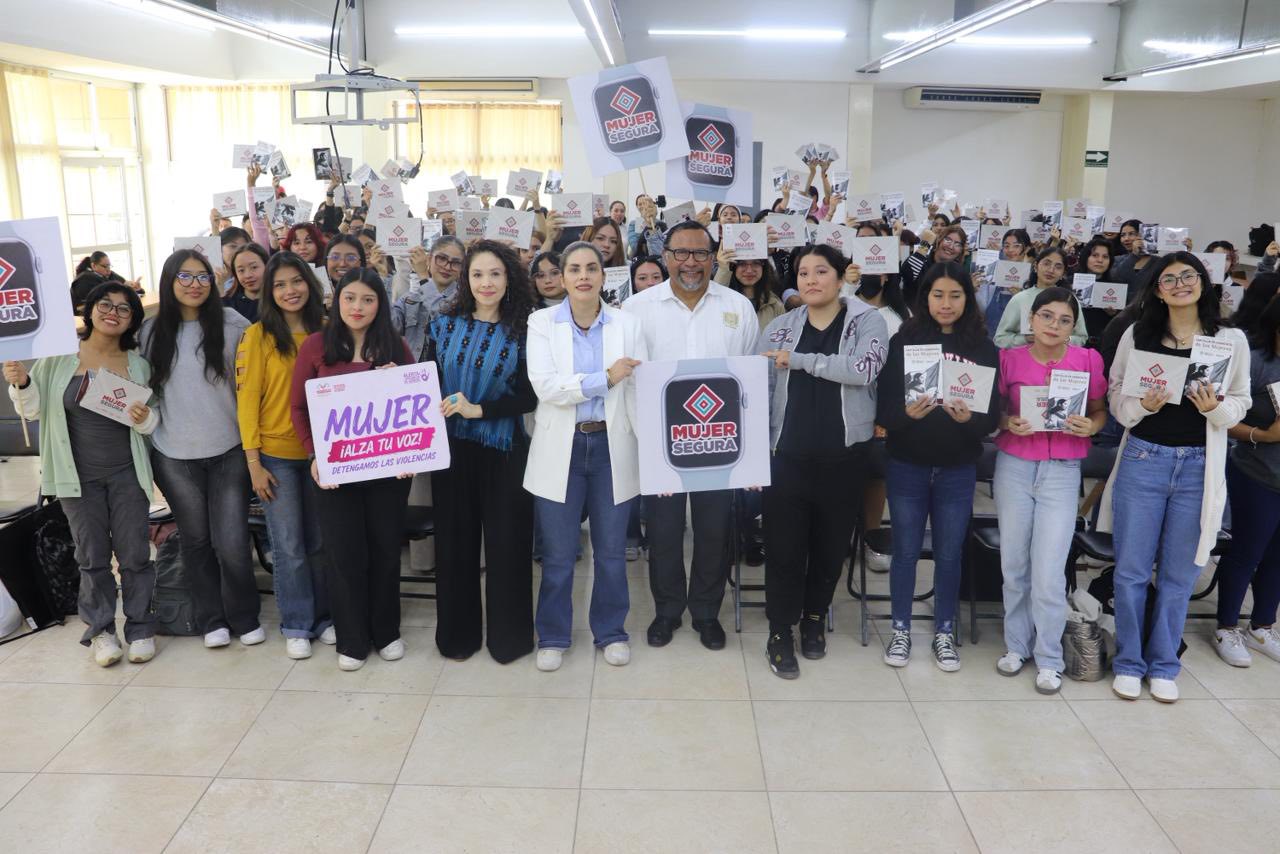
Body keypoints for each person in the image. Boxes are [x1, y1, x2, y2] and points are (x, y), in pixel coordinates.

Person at [1099, 252, 1250, 702]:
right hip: (1144, 459)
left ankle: (1164, 663)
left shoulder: (1229, 339)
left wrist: (1215, 410)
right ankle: (1129, 660)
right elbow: (1115, 394)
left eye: (1189, 276)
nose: (1180, 283)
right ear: (1157, 290)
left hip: (1199, 466)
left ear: (1204, 283)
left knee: (1179, 574)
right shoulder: (1137, 334)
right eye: (1169, 278)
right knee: (1130, 570)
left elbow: (1240, 401)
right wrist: (1142, 406)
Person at [4, 282, 158, 667]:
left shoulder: (137, 365)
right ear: (89, 310)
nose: (113, 313)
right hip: (77, 479)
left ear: (132, 321)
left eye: (124, 309)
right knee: (91, 558)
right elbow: (33, 408)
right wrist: (20, 382)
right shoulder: (60, 358)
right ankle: (102, 631)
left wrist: (144, 418)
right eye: (106, 304)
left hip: (127, 475)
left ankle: (140, 627)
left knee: (136, 555)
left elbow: (152, 421)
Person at [622, 221, 760, 651]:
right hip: (661, 446)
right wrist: (646, 442)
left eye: (700, 254)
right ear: (665, 257)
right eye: (681, 253)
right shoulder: (636, 309)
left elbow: (750, 383)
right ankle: (667, 612)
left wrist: (751, 452)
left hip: (720, 445)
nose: (690, 263)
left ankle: (705, 612)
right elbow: (629, 381)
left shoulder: (738, 307)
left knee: (714, 531)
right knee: (662, 533)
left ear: (713, 256)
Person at [757, 244, 888, 678]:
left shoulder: (868, 320)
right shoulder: (780, 327)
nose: (811, 280)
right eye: (803, 273)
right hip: (786, 456)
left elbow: (864, 369)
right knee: (784, 549)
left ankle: (814, 619)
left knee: (831, 547)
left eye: (821, 271)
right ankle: (780, 631)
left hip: (844, 456)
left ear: (840, 277)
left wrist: (799, 361)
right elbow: (757, 385)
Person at [525, 241, 648, 671]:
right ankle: (554, 635)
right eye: (574, 268)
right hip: (563, 446)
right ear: (560, 277)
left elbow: (639, 387)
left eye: (592, 268)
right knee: (558, 555)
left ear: (603, 274)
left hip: (614, 446)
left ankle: (611, 631)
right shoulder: (541, 322)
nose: (583, 276)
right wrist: (605, 377)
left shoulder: (627, 323)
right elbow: (547, 387)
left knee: (612, 551)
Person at [875, 262, 1000, 671]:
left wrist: (970, 421)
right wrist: (907, 415)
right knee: (906, 552)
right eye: (937, 295)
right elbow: (885, 412)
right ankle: (901, 628)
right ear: (924, 298)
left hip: (957, 468)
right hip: (907, 464)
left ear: (968, 298)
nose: (946, 304)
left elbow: (991, 418)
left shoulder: (983, 348)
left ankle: (945, 632)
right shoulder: (904, 342)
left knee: (949, 554)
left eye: (955, 295)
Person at [290, 269, 415, 670]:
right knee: (344, 556)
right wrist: (314, 456)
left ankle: (387, 631)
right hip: (336, 473)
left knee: (384, 552)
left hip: (386, 472)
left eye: (367, 299)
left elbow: (415, 404)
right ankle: (352, 638)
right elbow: (298, 408)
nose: (357, 307)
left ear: (379, 304)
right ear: (336, 300)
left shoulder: (395, 346)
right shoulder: (314, 347)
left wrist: (407, 456)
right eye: (349, 298)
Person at [425, 240, 538, 663]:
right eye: (477, 274)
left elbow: (530, 395)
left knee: (509, 546)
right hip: (451, 453)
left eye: (495, 274)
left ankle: (510, 640)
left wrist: (480, 409)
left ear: (509, 278)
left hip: (505, 451)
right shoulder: (442, 325)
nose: (486, 283)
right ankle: (457, 637)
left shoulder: (526, 329)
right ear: (465, 279)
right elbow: (425, 381)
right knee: (454, 547)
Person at [140, 249, 258, 649]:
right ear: (169, 281)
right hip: (174, 455)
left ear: (215, 282)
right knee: (196, 540)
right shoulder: (150, 331)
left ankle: (245, 615)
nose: (194, 285)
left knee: (232, 542)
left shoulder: (233, 323)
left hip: (230, 450)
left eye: (203, 277)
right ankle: (212, 621)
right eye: (185, 277)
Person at [993, 287, 1106, 694]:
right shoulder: (1009, 360)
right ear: (1031, 319)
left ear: (1073, 326)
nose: (1053, 326)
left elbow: (1098, 410)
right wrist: (1008, 422)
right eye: (1046, 316)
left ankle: (1049, 658)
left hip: (1062, 471)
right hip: (1016, 468)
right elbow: (997, 412)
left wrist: (1091, 426)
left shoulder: (1087, 360)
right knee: (1015, 565)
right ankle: (1016, 646)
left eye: (1063, 320)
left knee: (1049, 570)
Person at [235, 251, 333, 660]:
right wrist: (253, 463)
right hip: (275, 457)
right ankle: (296, 622)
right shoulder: (256, 336)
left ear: (309, 285)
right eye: (279, 284)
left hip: (323, 455)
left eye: (296, 281)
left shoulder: (329, 330)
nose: (289, 291)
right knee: (288, 545)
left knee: (321, 543)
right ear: (268, 292)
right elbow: (247, 400)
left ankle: (326, 617)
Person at [1213, 295, 1280, 666]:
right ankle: (1226, 626)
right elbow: (1224, 415)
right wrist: (1263, 436)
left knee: (1277, 556)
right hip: (1256, 471)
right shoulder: (1256, 362)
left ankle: (1263, 624)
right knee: (1247, 551)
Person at [994, 247, 1088, 349]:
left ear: (1063, 274)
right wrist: (1025, 339)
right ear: (1035, 266)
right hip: (1025, 361)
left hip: (1060, 362)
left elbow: (1081, 338)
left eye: (1058, 267)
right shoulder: (1020, 299)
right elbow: (1000, 339)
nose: (1051, 270)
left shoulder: (1070, 299)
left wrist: (1062, 339)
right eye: (1046, 264)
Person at [393, 235, 464, 358]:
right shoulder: (410, 299)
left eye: (456, 263)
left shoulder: (465, 300)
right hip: (413, 374)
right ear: (429, 259)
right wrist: (382, 277)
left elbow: (441, 317)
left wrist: (423, 276)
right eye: (442, 259)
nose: (447, 267)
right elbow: (388, 324)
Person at [900, 224, 969, 306]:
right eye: (948, 240)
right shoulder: (922, 261)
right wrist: (925, 244)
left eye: (957, 244)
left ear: (961, 250)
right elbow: (906, 272)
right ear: (939, 240)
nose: (951, 246)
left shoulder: (957, 273)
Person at [224, 243, 269, 322]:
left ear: (267, 266)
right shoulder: (229, 305)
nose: (247, 275)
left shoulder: (279, 301)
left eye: (254, 267)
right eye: (241, 270)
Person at [75, 251, 142, 294]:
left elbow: (125, 283)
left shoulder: (109, 273)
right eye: (104, 266)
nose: (108, 270)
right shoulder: (85, 278)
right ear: (94, 266)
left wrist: (134, 287)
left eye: (109, 266)